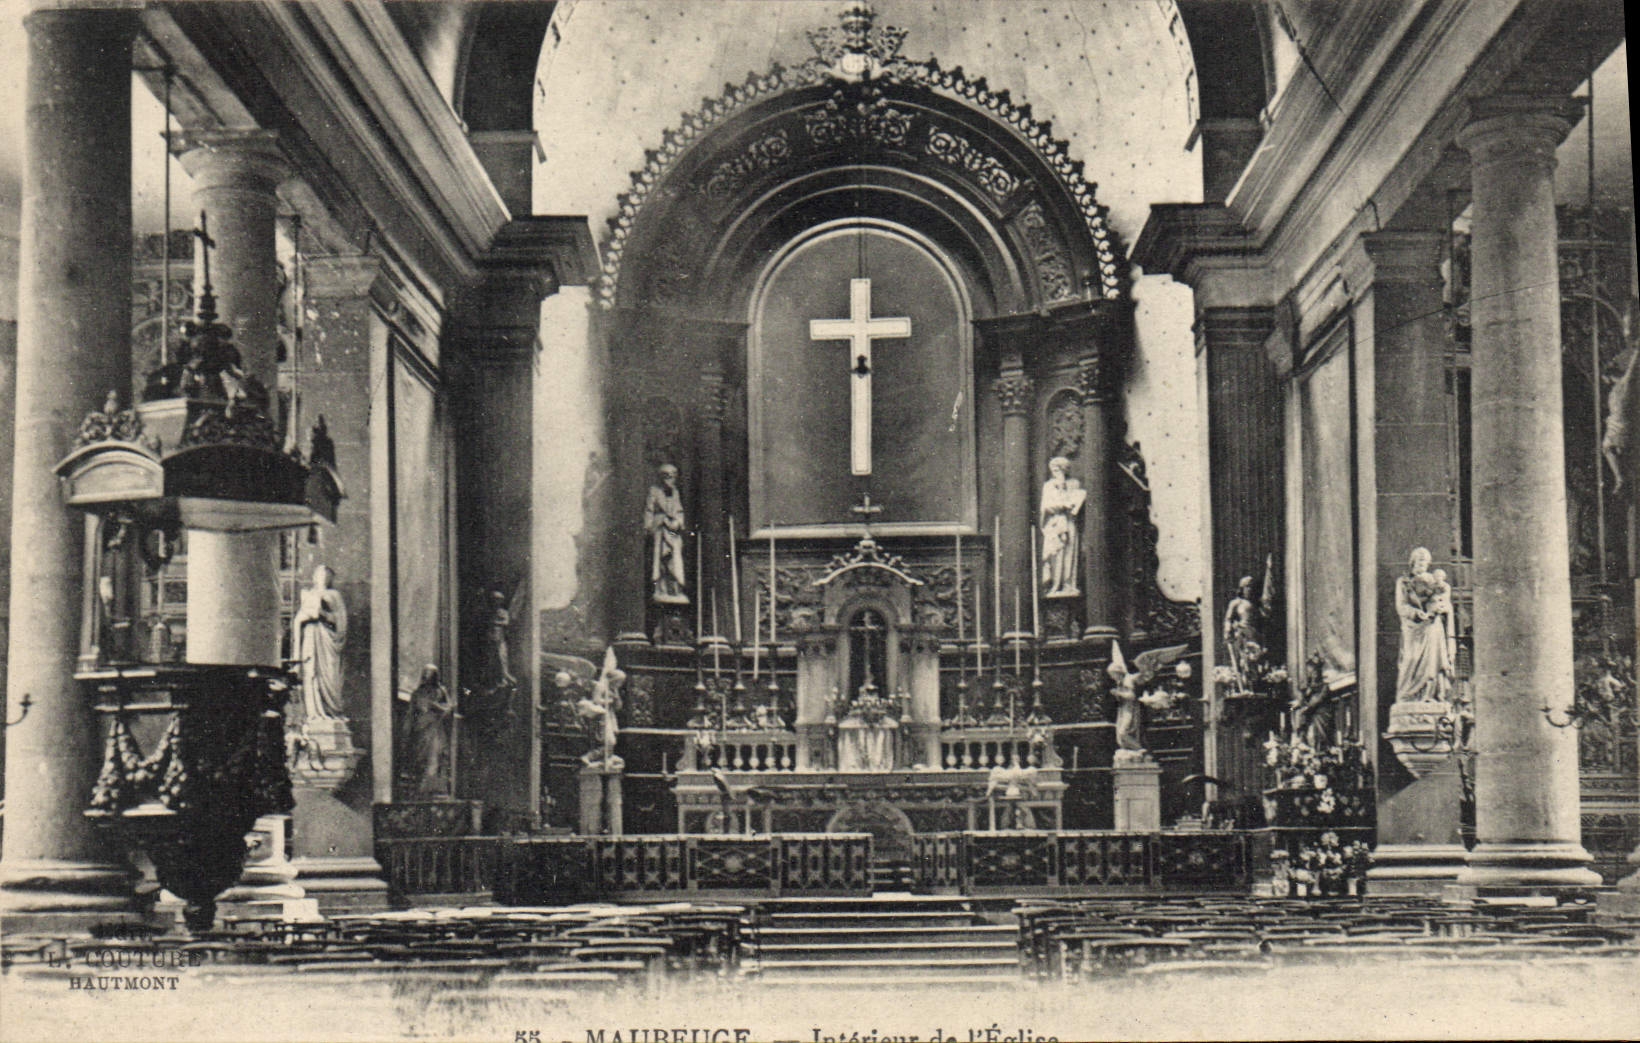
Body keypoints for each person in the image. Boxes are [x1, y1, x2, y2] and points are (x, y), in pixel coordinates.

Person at [1394, 547, 1454, 703]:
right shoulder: (1403, 582)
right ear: (1413, 561)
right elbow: (1401, 606)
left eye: (1425, 560)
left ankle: (1428, 695)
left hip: (1432, 626)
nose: (1422, 563)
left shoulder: (1435, 581)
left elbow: (1444, 602)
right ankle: (1406, 696)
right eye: (1420, 559)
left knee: (1432, 662)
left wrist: (1439, 608)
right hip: (1412, 627)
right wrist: (1417, 613)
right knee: (1411, 659)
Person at [293, 564, 348, 722]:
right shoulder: (308, 595)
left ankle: (332, 712)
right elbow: (298, 620)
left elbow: (341, 622)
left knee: (330, 675)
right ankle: (314, 714)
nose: (323, 578)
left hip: (328, 641)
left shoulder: (334, 595)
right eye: (319, 575)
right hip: (311, 637)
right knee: (310, 672)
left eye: (326, 575)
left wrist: (322, 614)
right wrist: (303, 618)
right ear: (314, 578)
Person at [1039, 456, 1087, 598]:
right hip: (1055, 523)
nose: (1055, 473)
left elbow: (1078, 498)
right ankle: (1055, 585)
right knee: (1056, 553)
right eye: (1053, 470)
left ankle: (1069, 584)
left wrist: (1073, 503)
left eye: (1058, 470)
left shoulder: (1074, 484)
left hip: (1070, 521)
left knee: (1070, 553)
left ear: (1064, 470)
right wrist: (1061, 505)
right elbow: (1045, 506)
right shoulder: (1049, 485)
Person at [406, 665, 454, 798]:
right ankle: (420, 788)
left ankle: (435, 787)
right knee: (422, 756)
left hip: (436, 726)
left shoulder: (441, 690)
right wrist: (409, 729)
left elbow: (449, 707)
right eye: (426, 673)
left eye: (431, 674)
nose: (428, 676)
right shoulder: (417, 693)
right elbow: (411, 713)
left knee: (436, 755)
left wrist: (436, 707)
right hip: (421, 728)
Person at [644, 463, 688, 604]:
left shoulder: (675, 492)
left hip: (673, 533)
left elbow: (679, 511)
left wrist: (678, 522)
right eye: (667, 476)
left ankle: (675, 589)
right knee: (660, 561)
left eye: (673, 476)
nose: (671, 479)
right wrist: (649, 527)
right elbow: (649, 510)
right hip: (660, 531)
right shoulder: (654, 491)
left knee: (674, 560)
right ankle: (660, 589)